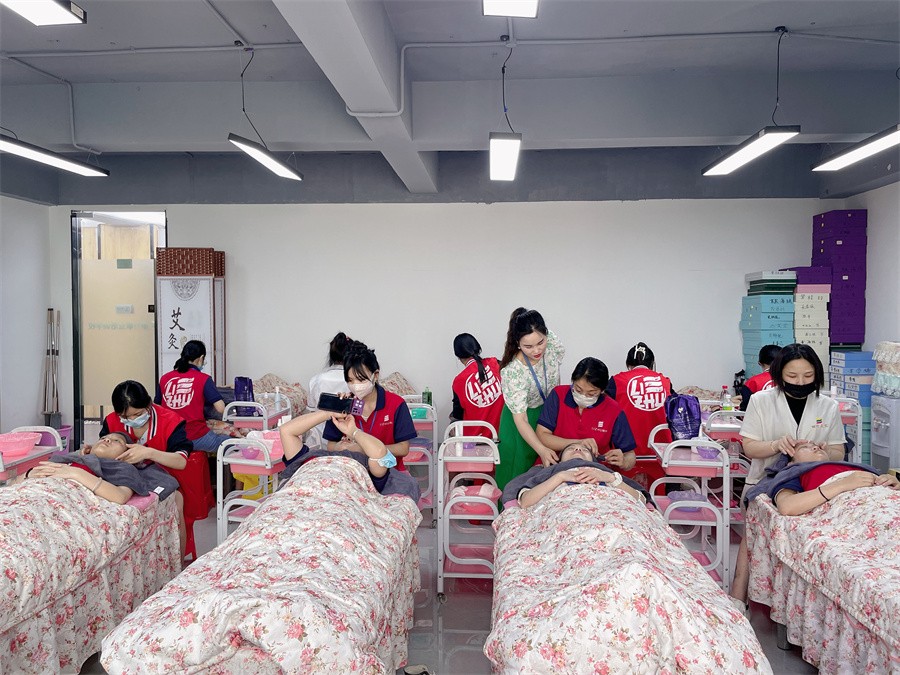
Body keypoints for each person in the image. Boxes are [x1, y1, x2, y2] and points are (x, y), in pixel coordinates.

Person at [730, 343, 846, 608]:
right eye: (792, 376)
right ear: (779, 374)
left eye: (808, 376)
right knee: (753, 539)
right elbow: (749, 447)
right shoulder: (761, 401)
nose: (801, 382)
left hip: (813, 484)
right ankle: (739, 599)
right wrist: (775, 445)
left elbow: (838, 450)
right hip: (766, 480)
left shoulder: (827, 406)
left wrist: (824, 451)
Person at [27, 431, 187, 555]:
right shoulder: (67, 459)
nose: (107, 440)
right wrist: (29, 474)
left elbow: (119, 496)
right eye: (103, 438)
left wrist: (75, 474)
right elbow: (20, 481)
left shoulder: (122, 467)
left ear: (126, 454)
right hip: (31, 495)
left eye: (117, 441)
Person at [496, 308, 566, 490]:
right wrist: (541, 448)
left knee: (549, 474)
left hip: (548, 412)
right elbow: (521, 419)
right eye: (528, 346)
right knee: (517, 472)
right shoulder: (513, 372)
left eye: (540, 342)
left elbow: (556, 373)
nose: (536, 350)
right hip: (521, 420)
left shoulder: (552, 344)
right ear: (517, 344)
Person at [321, 341, 416, 471]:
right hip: (354, 473)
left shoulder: (396, 404)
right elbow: (330, 445)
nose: (355, 385)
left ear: (375, 375)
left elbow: (403, 448)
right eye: (350, 380)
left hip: (391, 473)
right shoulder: (344, 405)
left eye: (361, 379)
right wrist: (341, 446)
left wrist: (364, 449)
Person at [536, 357, 637, 471]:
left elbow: (630, 455)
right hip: (554, 467)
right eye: (578, 390)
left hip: (595, 473)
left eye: (591, 393)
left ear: (602, 391)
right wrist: (579, 443)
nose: (583, 396)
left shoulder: (613, 410)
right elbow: (542, 435)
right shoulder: (558, 395)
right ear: (573, 381)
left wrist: (624, 461)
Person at [762, 441, 900, 516]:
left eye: (815, 445)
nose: (815, 447)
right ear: (791, 463)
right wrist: (843, 484)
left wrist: (890, 482)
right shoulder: (796, 472)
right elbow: (787, 507)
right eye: (804, 447)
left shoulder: (854, 467)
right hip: (862, 512)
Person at [606, 342, 672, 491]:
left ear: (628, 364)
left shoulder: (616, 381)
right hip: (660, 450)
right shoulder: (665, 382)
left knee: (623, 490)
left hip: (626, 451)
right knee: (659, 492)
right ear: (652, 364)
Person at [280, 409, 393, 492]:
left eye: (353, 441)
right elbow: (286, 430)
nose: (346, 438)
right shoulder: (311, 458)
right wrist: (329, 413)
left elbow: (379, 452)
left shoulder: (367, 465)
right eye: (343, 438)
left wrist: (353, 431)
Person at [504, 442, 647, 508]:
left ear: (593, 461)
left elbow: (641, 500)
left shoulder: (606, 473)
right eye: (570, 448)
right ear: (559, 461)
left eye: (584, 450)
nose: (578, 449)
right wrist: (561, 476)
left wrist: (610, 478)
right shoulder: (549, 472)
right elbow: (526, 501)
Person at [156, 340, 230, 453]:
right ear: (201, 358)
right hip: (195, 436)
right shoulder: (204, 379)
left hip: (169, 437)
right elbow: (221, 408)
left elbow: (157, 407)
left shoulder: (165, 378)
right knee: (231, 443)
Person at [100, 380, 191, 469]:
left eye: (138, 414)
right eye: (125, 417)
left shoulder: (171, 422)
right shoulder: (111, 421)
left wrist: (149, 453)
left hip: (162, 475)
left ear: (149, 404)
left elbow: (181, 462)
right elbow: (102, 453)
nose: (132, 419)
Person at [450, 333, 504, 437]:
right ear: (477, 347)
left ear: (458, 355)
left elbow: (458, 415)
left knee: (452, 424)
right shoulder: (495, 363)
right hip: (501, 435)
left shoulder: (458, 381)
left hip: (473, 440)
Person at [307, 332, 353, 445]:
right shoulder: (355, 382)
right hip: (349, 439)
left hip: (320, 440)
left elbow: (311, 410)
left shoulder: (316, 380)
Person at [738, 344, 781, 412]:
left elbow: (746, 408)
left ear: (760, 363)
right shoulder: (790, 379)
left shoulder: (752, 382)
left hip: (760, 417)